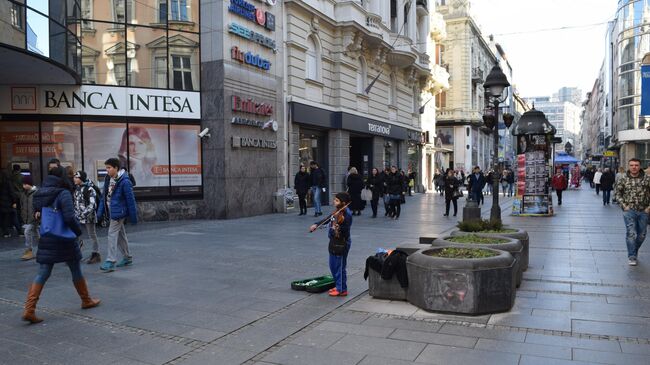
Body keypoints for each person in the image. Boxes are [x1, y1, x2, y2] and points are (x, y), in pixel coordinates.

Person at [22, 167, 100, 324]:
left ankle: (29, 309)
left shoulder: (41, 192)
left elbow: (38, 212)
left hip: (47, 236)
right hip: (64, 239)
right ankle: (86, 300)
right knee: (75, 268)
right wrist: (78, 232)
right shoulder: (63, 193)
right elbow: (69, 217)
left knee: (43, 272)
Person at [98, 158, 138, 273]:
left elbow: (130, 200)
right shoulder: (108, 178)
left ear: (116, 168)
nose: (107, 170)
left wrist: (133, 217)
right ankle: (127, 257)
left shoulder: (124, 181)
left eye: (109, 168)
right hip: (112, 210)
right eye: (106, 168)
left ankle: (111, 260)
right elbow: (104, 196)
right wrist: (100, 212)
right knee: (120, 234)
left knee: (111, 234)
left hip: (119, 212)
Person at [309, 192, 352, 297]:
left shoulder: (347, 215)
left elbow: (345, 231)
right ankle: (338, 285)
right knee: (333, 265)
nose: (334, 201)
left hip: (341, 243)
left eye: (337, 200)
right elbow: (328, 219)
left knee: (339, 266)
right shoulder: (337, 212)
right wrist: (317, 224)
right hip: (333, 242)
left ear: (343, 203)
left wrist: (336, 229)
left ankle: (342, 289)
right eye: (335, 199)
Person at [614, 158, 650, 266]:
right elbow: (617, 193)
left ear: (640, 166)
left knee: (642, 235)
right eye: (632, 165)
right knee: (631, 233)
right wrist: (624, 205)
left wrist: (648, 207)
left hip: (644, 210)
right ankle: (632, 256)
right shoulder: (623, 178)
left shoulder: (647, 179)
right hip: (629, 211)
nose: (634, 167)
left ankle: (633, 249)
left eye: (636, 165)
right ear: (629, 166)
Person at [73, 171, 101, 264]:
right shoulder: (77, 189)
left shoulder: (89, 189)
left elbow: (92, 204)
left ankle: (96, 254)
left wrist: (83, 214)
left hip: (89, 216)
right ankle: (76, 254)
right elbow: (76, 203)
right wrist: (76, 214)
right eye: (74, 177)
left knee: (92, 235)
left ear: (81, 179)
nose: (74, 179)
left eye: (77, 177)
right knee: (76, 235)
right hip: (78, 216)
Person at [20, 175, 38, 261]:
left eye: (25, 184)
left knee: (28, 232)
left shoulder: (36, 193)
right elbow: (22, 205)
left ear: (29, 184)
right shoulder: (24, 193)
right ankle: (31, 250)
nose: (23, 186)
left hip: (35, 218)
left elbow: (39, 204)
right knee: (34, 234)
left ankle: (30, 250)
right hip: (27, 218)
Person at [0, 169, 16, 238]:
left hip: (1, 202)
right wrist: (14, 201)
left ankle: (4, 231)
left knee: (2, 218)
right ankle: (6, 232)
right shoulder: (8, 182)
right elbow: (12, 192)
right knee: (7, 218)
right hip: (7, 202)